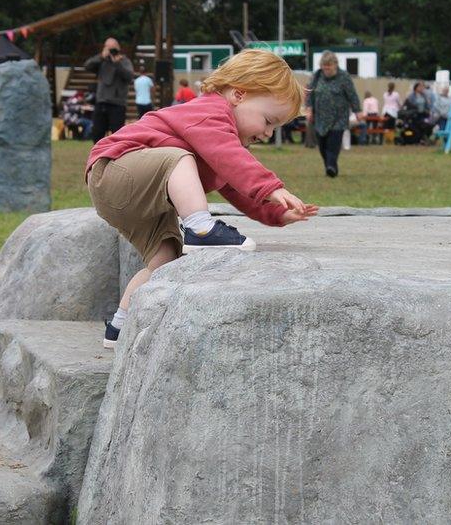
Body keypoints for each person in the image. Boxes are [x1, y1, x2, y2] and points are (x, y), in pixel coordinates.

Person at [86, 49, 317, 348]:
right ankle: (201, 228)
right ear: (238, 95)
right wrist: (270, 186)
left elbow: (234, 181)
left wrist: (276, 212)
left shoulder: (221, 141)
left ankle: (120, 325)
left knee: (165, 259)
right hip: (114, 171)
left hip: (137, 200)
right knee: (179, 159)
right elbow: (231, 158)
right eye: (268, 120)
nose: (268, 133)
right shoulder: (210, 111)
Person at [306, 51, 362, 177]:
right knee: (322, 145)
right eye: (324, 65)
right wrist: (309, 109)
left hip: (339, 118)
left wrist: (357, 111)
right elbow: (309, 93)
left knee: (333, 143)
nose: (326, 68)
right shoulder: (317, 76)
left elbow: (352, 95)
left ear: (335, 65)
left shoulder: (344, 77)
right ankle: (329, 166)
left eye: (329, 65)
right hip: (320, 117)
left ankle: (331, 166)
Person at [84, 37, 134, 143]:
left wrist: (117, 64)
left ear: (118, 48)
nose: (111, 51)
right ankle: (98, 157)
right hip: (101, 101)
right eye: (108, 48)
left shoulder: (124, 61)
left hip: (117, 104)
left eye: (113, 48)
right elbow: (87, 66)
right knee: (97, 133)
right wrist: (101, 56)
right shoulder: (101, 60)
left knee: (117, 134)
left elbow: (129, 77)